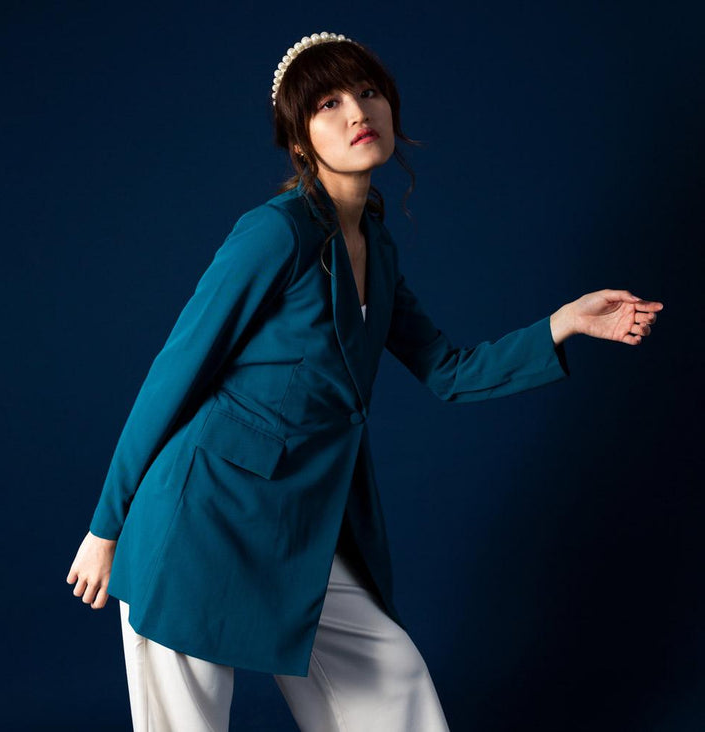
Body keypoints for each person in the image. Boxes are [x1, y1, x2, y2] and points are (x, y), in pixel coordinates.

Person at [66, 31, 664, 731]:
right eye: (328, 103)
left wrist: (562, 324)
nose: (357, 111)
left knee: (393, 683)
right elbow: (176, 371)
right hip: (199, 522)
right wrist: (105, 528)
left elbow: (447, 370)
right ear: (299, 139)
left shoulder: (375, 247)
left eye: (368, 92)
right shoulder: (274, 233)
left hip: (298, 521)